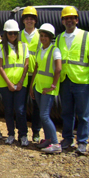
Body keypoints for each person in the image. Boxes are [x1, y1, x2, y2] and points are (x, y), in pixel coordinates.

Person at [56, 6, 89, 154]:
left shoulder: (86, 36)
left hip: (82, 80)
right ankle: (67, 138)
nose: (69, 21)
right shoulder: (60, 38)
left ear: (77, 20)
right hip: (65, 80)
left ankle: (82, 142)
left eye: (71, 18)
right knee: (66, 112)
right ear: (62, 21)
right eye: (66, 18)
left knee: (83, 114)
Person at [29, 23, 62, 154]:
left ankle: (55, 142)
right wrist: (32, 86)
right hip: (39, 86)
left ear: (50, 37)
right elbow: (36, 69)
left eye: (45, 36)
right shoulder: (40, 50)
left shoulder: (55, 50)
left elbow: (58, 69)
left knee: (44, 115)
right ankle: (48, 139)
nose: (43, 38)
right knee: (43, 116)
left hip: (48, 88)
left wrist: (53, 85)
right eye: (41, 36)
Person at [0, 20, 29, 146]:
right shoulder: (1, 47)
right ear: (6, 34)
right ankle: (11, 134)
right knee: (9, 110)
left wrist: (20, 81)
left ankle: (23, 135)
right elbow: (0, 67)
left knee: (20, 110)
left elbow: (26, 65)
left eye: (15, 33)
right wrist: (9, 83)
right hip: (6, 85)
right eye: (10, 33)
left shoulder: (24, 46)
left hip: (21, 84)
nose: (13, 36)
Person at [20, 6, 42, 142]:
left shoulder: (41, 35)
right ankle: (23, 133)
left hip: (36, 74)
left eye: (31, 18)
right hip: (21, 75)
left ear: (35, 20)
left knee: (37, 106)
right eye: (27, 18)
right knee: (21, 106)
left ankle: (36, 132)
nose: (29, 20)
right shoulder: (18, 34)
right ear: (23, 20)